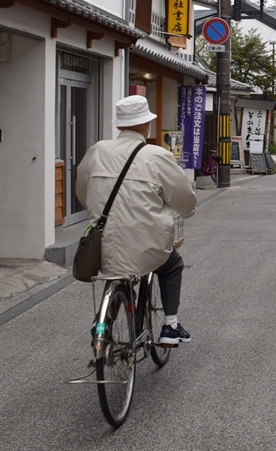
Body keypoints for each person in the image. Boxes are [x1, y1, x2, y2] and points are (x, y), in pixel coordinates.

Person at [76, 95, 197, 347]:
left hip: (104, 244)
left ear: (119, 125)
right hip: (148, 244)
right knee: (172, 265)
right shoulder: (155, 155)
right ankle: (170, 326)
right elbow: (184, 199)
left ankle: (103, 323)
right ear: (146, 125)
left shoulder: (97, 150)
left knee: (117, 272)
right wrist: (185, 209)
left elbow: (82, 192)